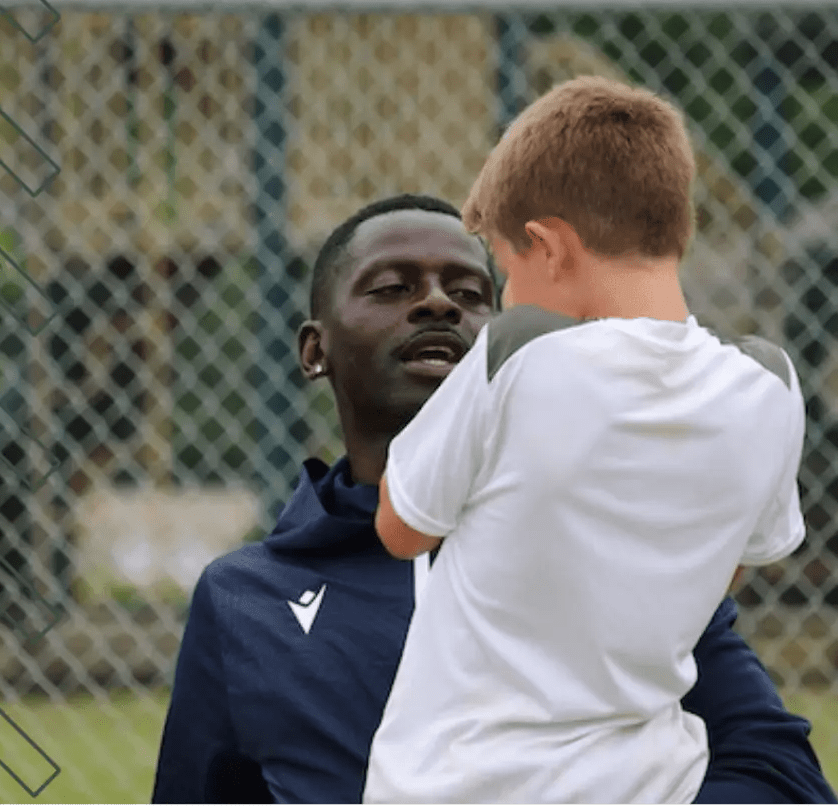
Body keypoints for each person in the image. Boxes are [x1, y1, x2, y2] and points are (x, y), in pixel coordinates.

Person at [151, 193, 837, 806]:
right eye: (391, 287)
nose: (438, 304)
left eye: (472, 292)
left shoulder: (620, 550)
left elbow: (783, 776)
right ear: (313, 350)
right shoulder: (244, 600)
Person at [364, 79, 809, 805]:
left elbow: (401, 525)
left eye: (507, 266)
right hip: (655, 785)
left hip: (456, 783)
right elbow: (726, 568)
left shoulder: (519, 348)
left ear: (548, 245)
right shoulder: (767, 381)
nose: (502, 295)